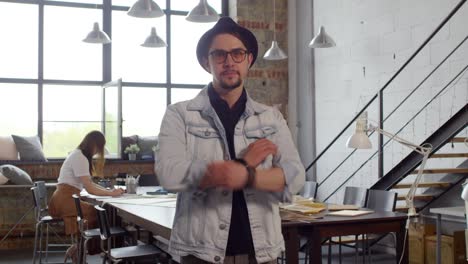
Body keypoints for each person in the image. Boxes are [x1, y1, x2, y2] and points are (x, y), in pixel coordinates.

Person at [156, 17, 305, 264]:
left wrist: (246, 175)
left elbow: (295, 176)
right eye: (219, 55)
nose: (229, 62)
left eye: (237, 53)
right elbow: (170, 174)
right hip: (200, 251)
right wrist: (242, 164)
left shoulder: (270, 117)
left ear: (249, 60)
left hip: (261, 250)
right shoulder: (180, 114)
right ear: (207, 62)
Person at [48, 130, 124, 262]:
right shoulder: (80, 157)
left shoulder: (78, 154)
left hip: (64, 197)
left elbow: (90, 184)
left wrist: (109, 191)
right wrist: (111, 193)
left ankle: (80, 250)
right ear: (94, 145)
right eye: (98, 148)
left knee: (96, 212)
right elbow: (90, 188)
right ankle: (84, 249)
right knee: (97, 213)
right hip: (64, 199)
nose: (97, 152)